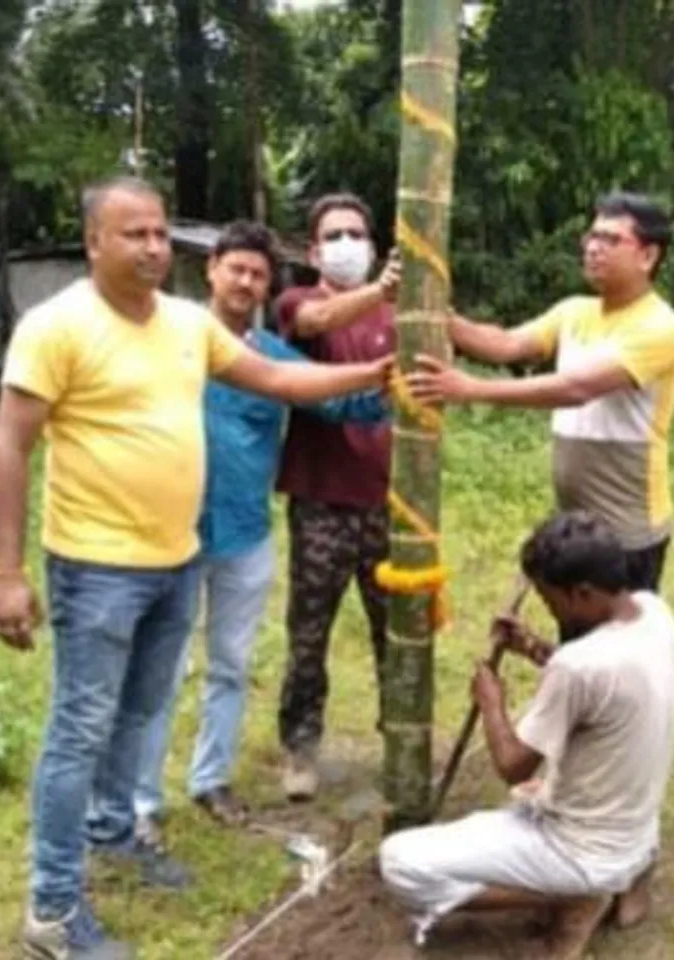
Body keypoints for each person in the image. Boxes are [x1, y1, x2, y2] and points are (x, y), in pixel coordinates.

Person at [0, 176, 392, 960]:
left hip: (177, 558)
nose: (152, 246)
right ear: (94, 242)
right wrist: (6, 573)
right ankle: (53, 909)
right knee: (79, 730)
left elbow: (279, 378)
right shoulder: (56, 326)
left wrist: (372, 377)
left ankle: (114, 832)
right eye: (132, 233)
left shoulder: (184, 324)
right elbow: (8, 445)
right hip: (96, 569)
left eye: (159, 232)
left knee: (140, 714)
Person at [133, 221, 389, 833]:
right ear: (211, 270)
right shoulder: (167, 338)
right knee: (160, 669)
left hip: (243, 534)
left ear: (268, 286)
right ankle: (140, 800)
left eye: (258, 275)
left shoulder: (271, 356)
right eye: (236, 269)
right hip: (168, 532)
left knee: (229, 663)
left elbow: (337, 400)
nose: (245, 282)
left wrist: (396, 380)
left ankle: (210, 779)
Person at [379, 511, 674, 959]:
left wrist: (492, 703)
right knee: (528, 797)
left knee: (400, 862)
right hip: (632, 830)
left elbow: (512, 765)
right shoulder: (654, 612)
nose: (549, 608)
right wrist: (534, 647)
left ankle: (573, 896)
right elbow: (601, 687)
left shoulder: (578, 667)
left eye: (550, 598)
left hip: (582, 848)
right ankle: (616, 875)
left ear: (582, 593)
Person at [408, 192, 674, 599]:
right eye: (592, 236)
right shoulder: (574, 311)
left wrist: (472, 389)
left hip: (628, 525)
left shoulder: (661, 326)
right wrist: (436, 311)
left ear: (648, 256)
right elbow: (507, 344)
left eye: (611, 239)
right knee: (576, 620)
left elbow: (577, 388)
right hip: (576, 520)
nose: (593, 248)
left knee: (624, 632)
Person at [273, 192, 401, 800]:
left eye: (356, 233)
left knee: (396, 631)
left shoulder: (397, 316)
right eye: (334, 235)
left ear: (372, 246)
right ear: (314, 250)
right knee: (309, 633)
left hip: (388, 503)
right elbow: (315, 323)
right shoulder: (297, 303)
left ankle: (402, 740)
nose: (347, 244)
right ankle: (300, 749)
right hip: (321, 500)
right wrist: (379, 291)